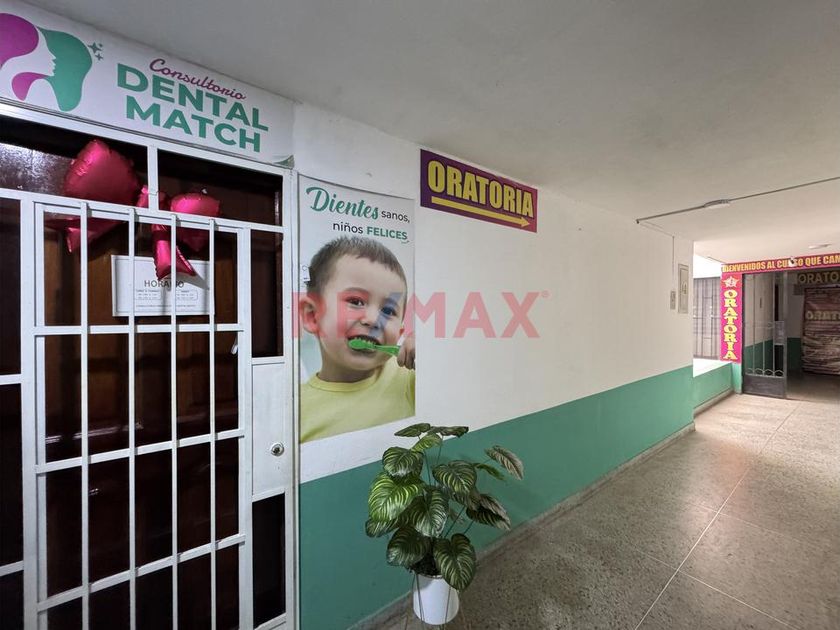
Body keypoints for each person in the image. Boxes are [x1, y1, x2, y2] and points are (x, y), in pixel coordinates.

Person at [299, 236, 415, 442]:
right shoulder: (295, 408)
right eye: (356, 301)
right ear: (312, 316)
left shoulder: (409, 380)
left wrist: (432, 353)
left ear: (399, 333)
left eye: (388, 311)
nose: (373, 319)